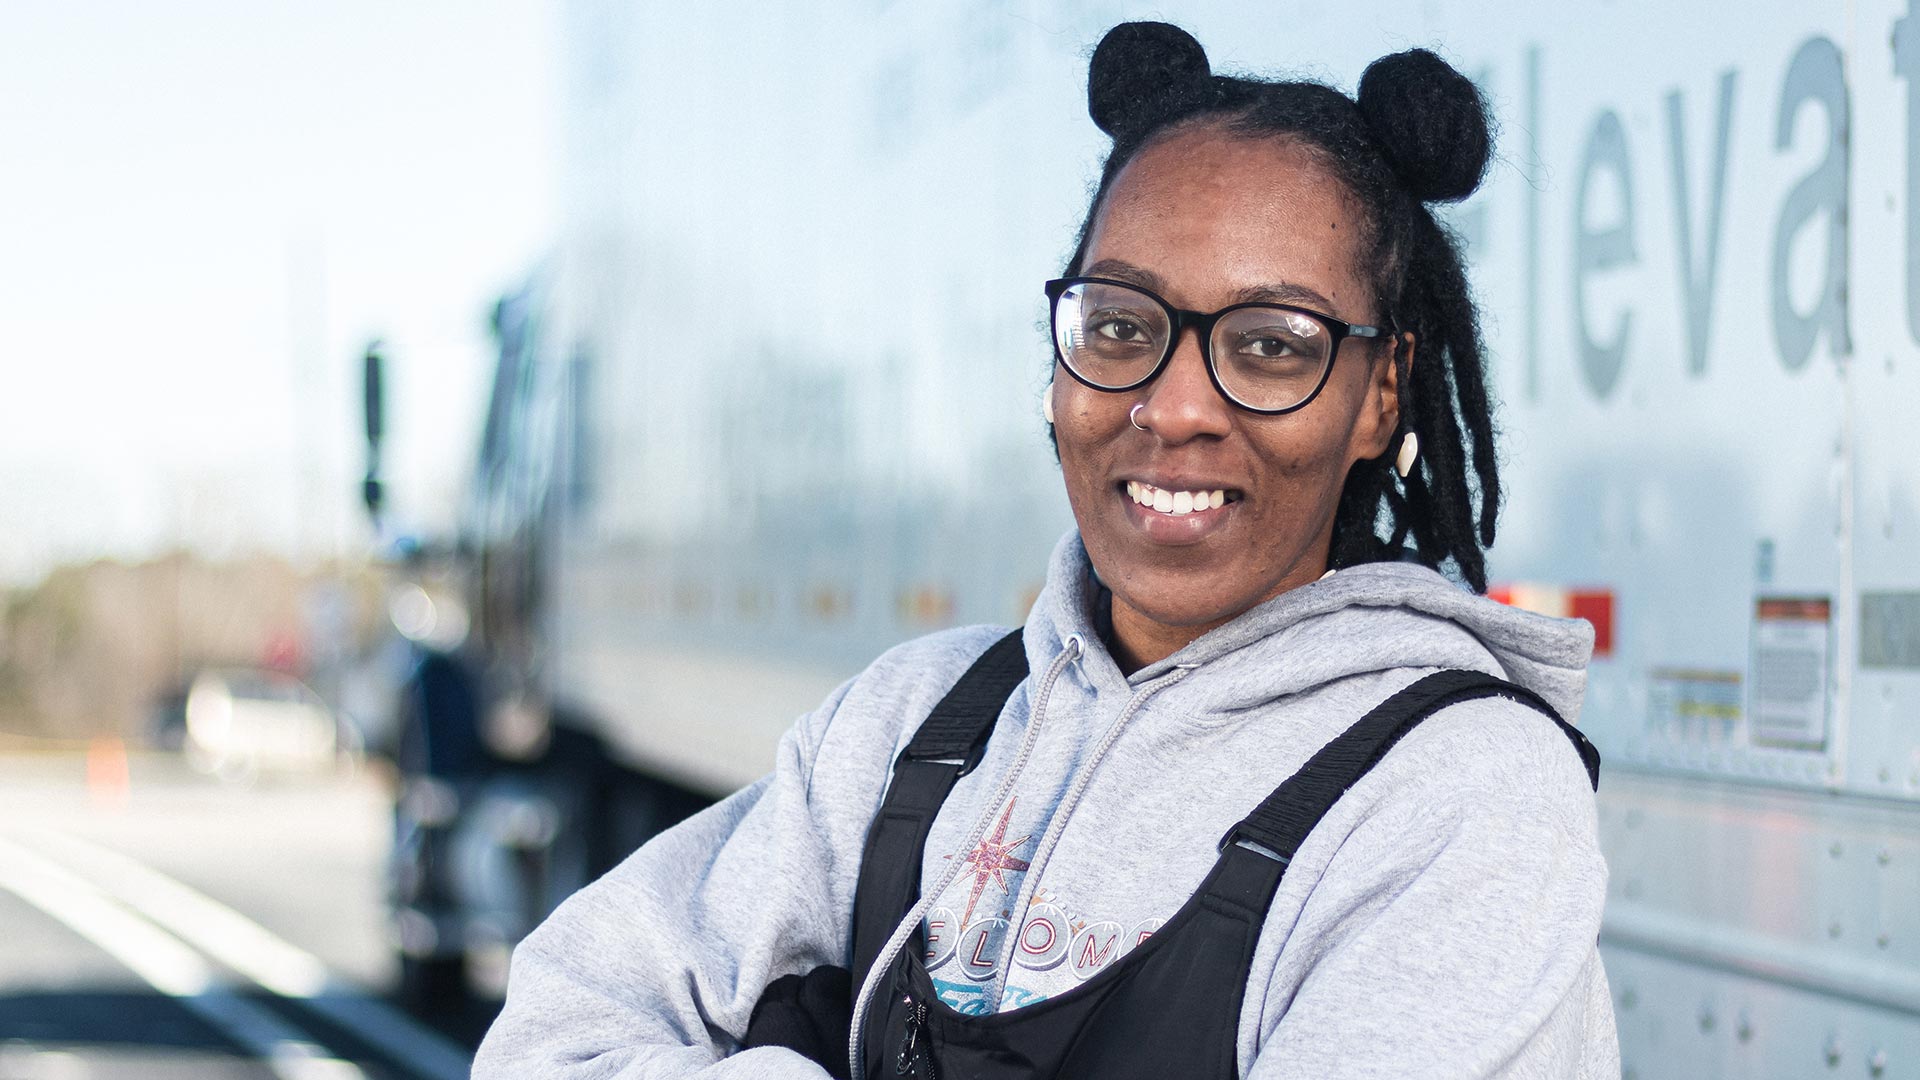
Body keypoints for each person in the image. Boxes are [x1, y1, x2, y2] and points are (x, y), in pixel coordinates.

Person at [473, 21, 1616, 1079]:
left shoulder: (1462, 798)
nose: (1173, 408)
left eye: (1272, 346)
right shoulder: (910, 727)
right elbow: (558, 1027)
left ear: (1382, 397)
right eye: (1122, 325)